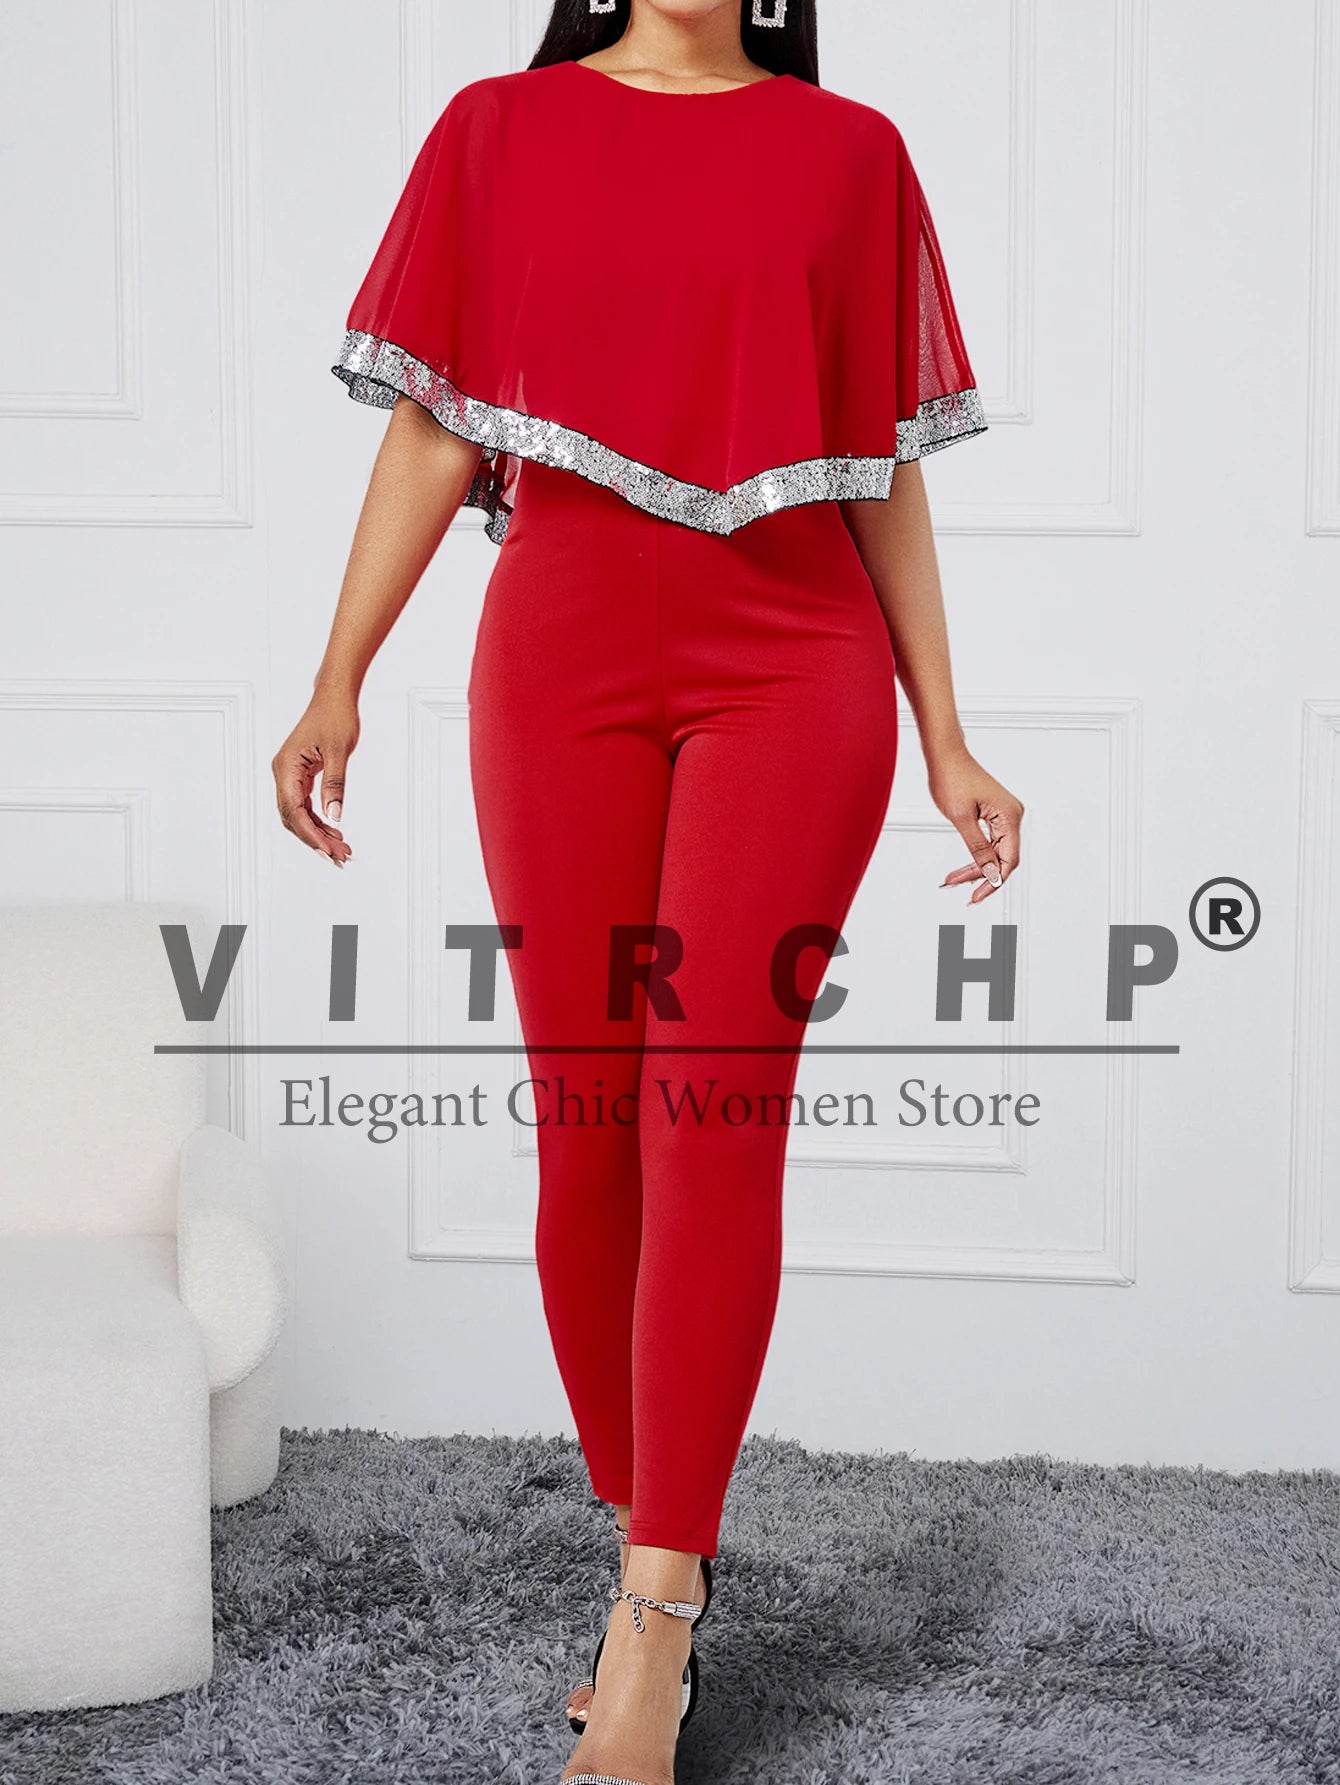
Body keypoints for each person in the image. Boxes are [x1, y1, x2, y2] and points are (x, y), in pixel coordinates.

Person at [272, 3, 1025, 1780]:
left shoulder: (851, 154)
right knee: (589, 1123)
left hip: (796, 664)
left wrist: (948, 732)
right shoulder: (499, 129)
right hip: (562, 657)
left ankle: (658, 1611)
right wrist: (335, 680)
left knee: (712, 1114)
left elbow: (882, 466)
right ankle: (647, 1543)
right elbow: (434, 431)